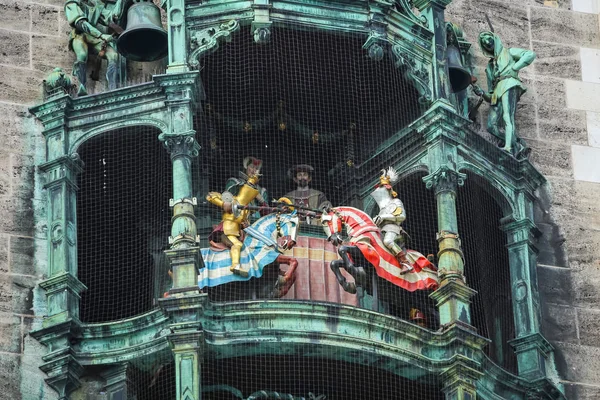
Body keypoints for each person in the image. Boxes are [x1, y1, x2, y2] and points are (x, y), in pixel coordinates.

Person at [472, 31, 536, 158]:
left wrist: (515, 68)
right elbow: (491, 95)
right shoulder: (490, 67)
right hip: (498, 91)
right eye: (483, 42)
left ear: (494, 38)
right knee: (491, 126)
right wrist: (482, 93)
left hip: (509, 84)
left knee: (507, 116)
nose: (486, 42)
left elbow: (530, 54)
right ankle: (516, 144)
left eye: (488, 38)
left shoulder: (509, 52)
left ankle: (508, 147)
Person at [64, 0, 125, 96]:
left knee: (113, 55)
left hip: (94, 38)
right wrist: (101, 35)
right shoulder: (72, 3)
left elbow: (112, 17)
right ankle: (82, 87)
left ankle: (112, 88)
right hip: (80, 35)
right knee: (82, 54)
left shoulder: (96, 4)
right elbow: (80, 23)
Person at [206, 174, 261, 277]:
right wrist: (223, 204)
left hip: (238, 232)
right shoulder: (230, 200)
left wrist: (246, 225)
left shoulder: (245, 210)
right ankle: (235, 265)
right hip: (227, 230)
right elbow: (210, 196)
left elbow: (243, 222)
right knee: (237, 245)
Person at [371, 166, 411, 272]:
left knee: (388, 241)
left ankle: (405, 263)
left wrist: (383, 217)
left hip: (393, 229)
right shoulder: (380, 209)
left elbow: (402, 216)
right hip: (382, 230)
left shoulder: (396, 202)